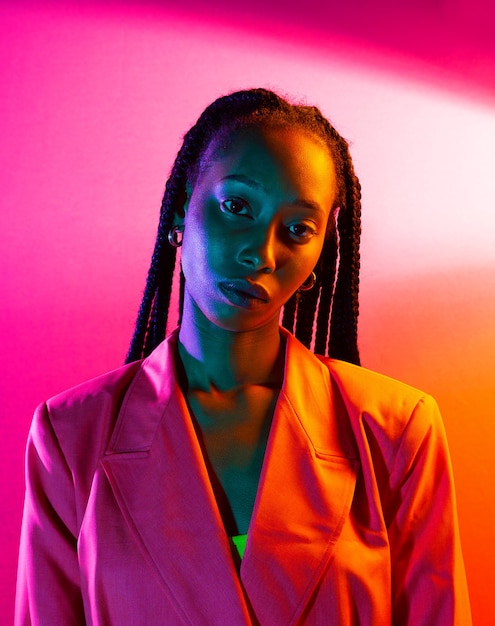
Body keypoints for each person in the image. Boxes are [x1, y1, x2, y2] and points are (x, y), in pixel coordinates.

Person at [15, 88, 471, 625]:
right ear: (182, 205)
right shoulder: (71, 435)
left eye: (298, 228)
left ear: (322, 253)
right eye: (237, 206)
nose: (262, 251)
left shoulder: (397, 431)